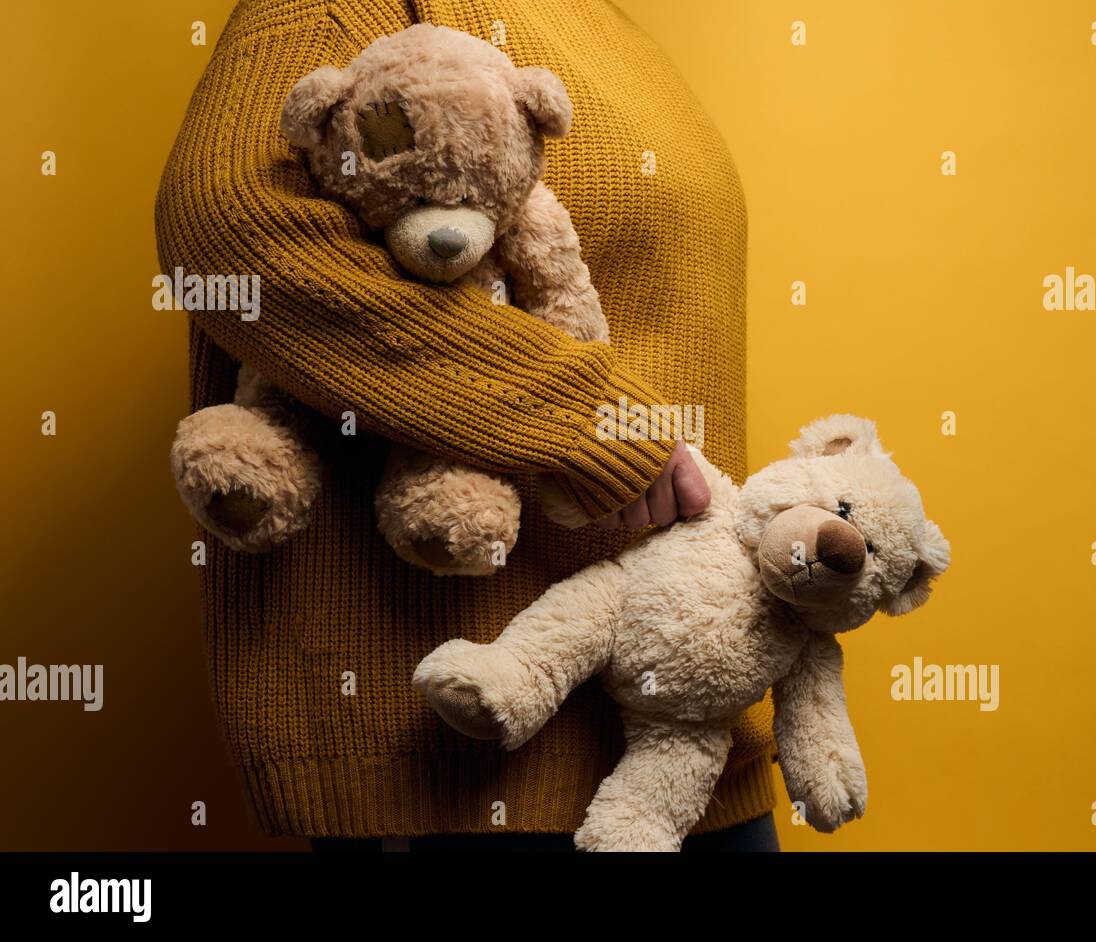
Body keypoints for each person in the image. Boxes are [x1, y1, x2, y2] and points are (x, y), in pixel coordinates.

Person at [156, 0, 777, 851]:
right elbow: (231, 231)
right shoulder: (340, 10)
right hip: (472, 745)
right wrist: (584, 422)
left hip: (693, 726)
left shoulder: (610, 28)